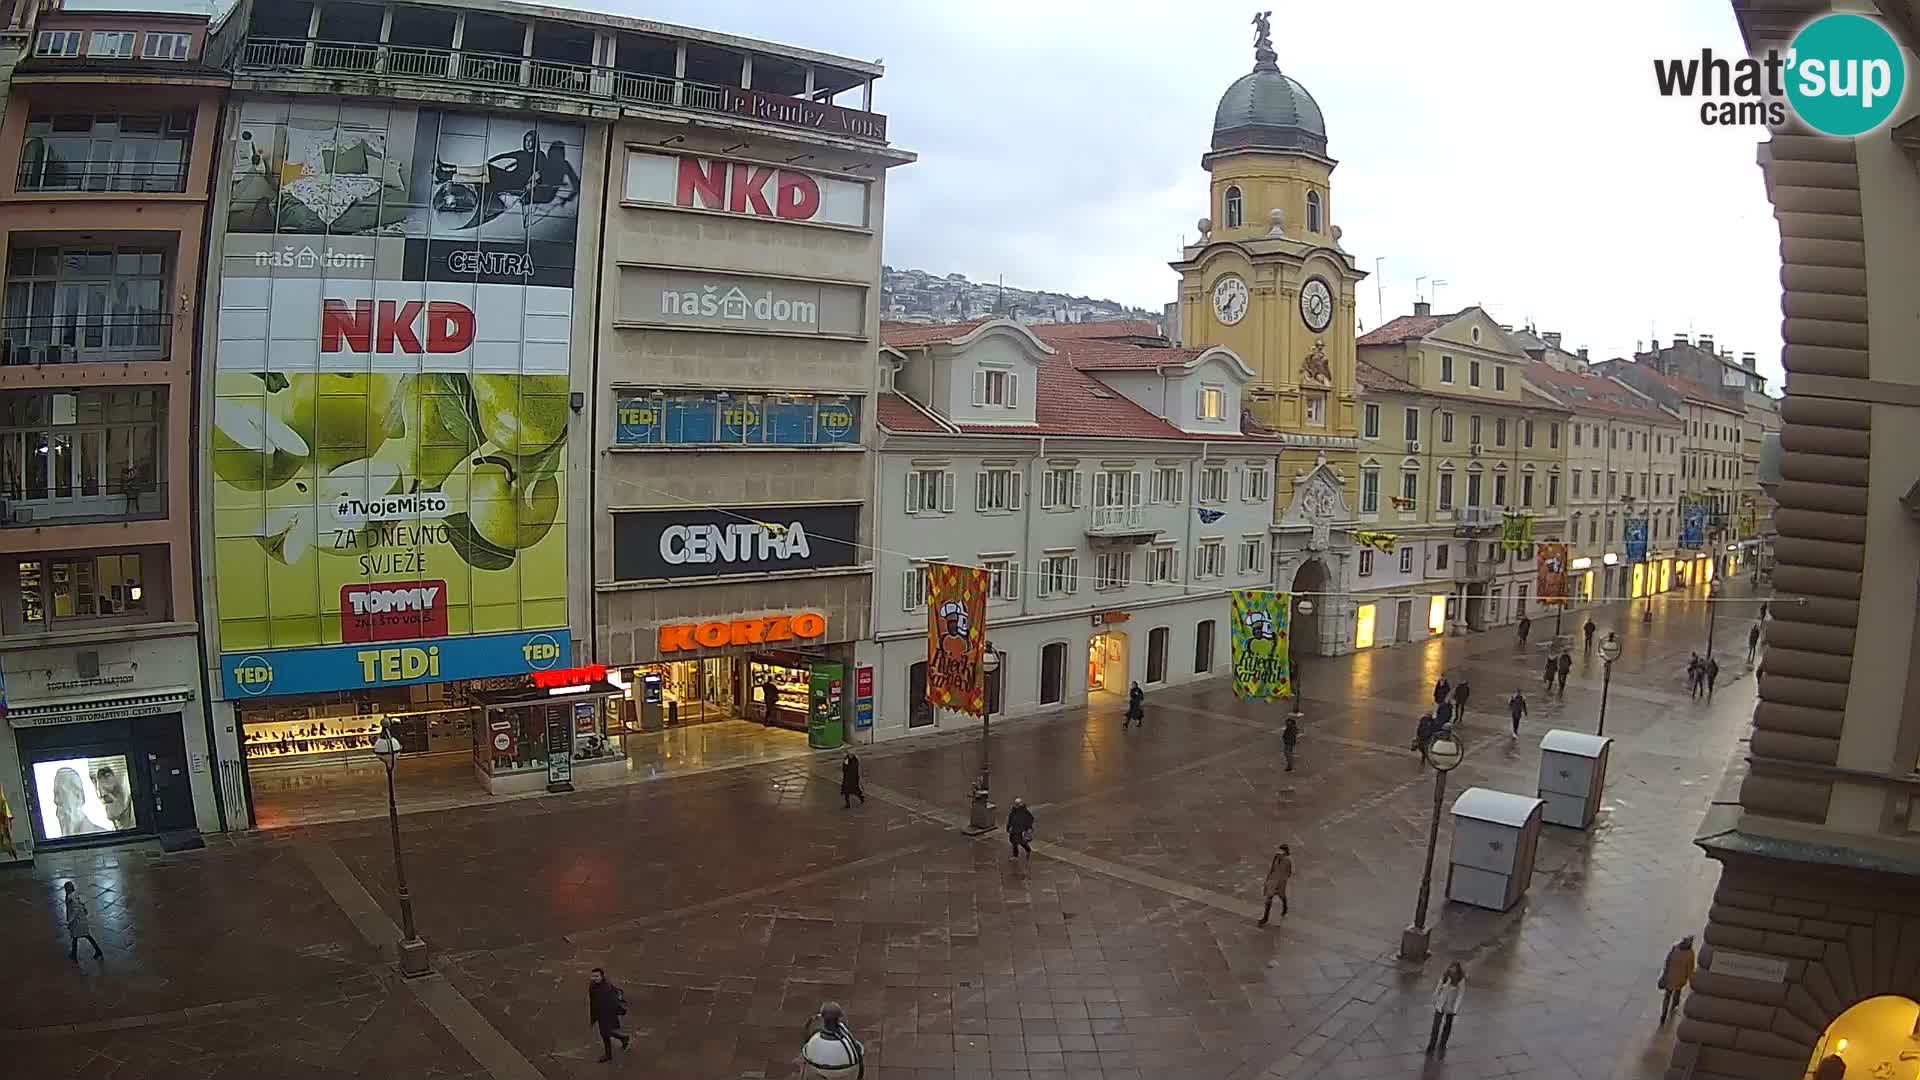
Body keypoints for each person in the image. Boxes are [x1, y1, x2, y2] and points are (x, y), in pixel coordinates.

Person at [800, 1001, 865, 1078]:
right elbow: (856, 1057)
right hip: (845, 1068)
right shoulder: (846, 1038)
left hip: (822, 1068)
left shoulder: (814, 1042)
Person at [586, 967, 630, 1062]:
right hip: (599, 1013)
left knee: (605, 1034)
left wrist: (621, 1010)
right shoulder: (592, 985)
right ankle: (623, 1038)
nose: (595, 978)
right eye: (593, 976)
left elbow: (614, 1002)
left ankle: (608, 1054)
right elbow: (592, 1001)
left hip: (607, 1015)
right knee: (606, 1032)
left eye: (597, 976)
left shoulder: (607, 988)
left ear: (602, 976)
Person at [1426, 961, 1466, 1055]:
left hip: (1451, 1006)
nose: (1452, 970)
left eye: (1454, 969)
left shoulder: (1460, 979)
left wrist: (1455, 1009)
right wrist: (1435, 997)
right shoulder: (1445, 976)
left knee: (1447, 1025)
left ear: (1457, 970)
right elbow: (1438, 988)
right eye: (1451, 968)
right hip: (1441, 1004)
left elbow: (1460, 994)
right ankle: (1431, 1045)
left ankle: (1443, 1043)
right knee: (1436, 1026)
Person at [1659, 936, 1696, 1023]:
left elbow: (1667, 960)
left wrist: (1665, 973)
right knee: (1677, 991)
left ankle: (1663, 1014)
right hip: (1680, 978)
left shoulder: (1675, 948)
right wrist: (1690, 979)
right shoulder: (1690, 953)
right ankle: (1674, 1006)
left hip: (1670, 977)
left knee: (1667, 995)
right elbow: (1690, 968)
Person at [63, 881, 101, 962]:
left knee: (78, 937)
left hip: (77, 922)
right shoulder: (73, 895)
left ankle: (74, 955)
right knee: (80, 937)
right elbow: (80, 905)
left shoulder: (71, 897)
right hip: (80, 920)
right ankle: (75, 954)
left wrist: (69, 921)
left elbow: (75, 910)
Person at [1257, 845, 1293, 925]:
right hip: (1273, 881)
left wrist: (1283, 881)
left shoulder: (1288, 861)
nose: (1279, 852)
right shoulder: (1276, 857)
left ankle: (1285, 907)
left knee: (1282, 896)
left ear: (1285, 851)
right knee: (1268, 899)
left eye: (1281, 850)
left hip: (1281, 883)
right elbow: (1272, 868)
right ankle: (1265, 918)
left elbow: (1289, 873)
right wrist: (1268, 880)